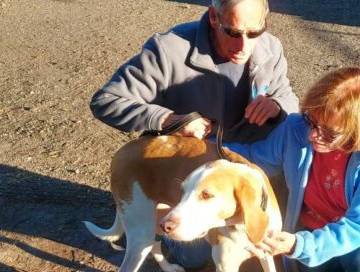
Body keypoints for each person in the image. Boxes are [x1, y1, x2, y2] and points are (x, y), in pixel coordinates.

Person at [89, 0, 299, 269]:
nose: (244, 46)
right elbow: (106, 100)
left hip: (248, 167)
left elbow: (289, 98)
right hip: (194, 169)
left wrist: (277, 104)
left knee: (271, 233)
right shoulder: (168, 49)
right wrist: (169, 119)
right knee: (195, 256)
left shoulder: (271, 47)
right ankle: (164, 222)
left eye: (254, 31)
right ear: (213, 16)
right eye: (233, 32)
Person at [225, 67, 360, 272]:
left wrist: (299, 245)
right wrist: (205, 144)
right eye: (312, 121)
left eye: (329, 133)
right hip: (313, 228)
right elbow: (254, 158)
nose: (313, 136)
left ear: (358, 131)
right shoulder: (295, 128)